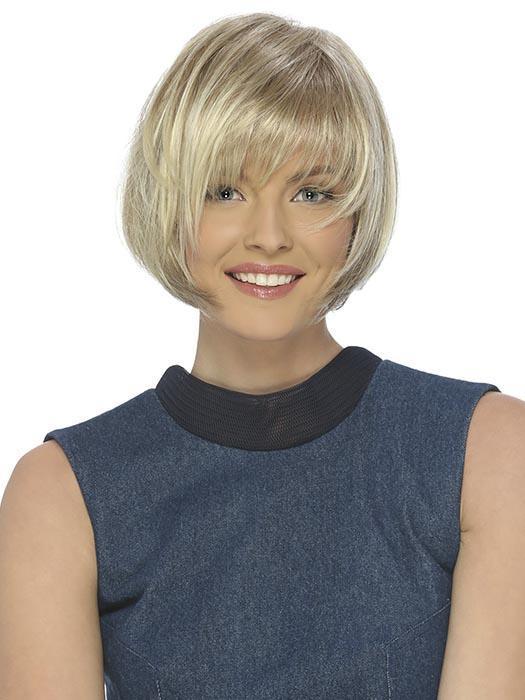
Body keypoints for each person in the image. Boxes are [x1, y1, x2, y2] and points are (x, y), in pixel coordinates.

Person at [1, 11, 524, 700]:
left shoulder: (487, 452)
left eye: (311, 192)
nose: (269, 235)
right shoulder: (61, 494)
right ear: (167, 203)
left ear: (356, 214)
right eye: (225, 190)